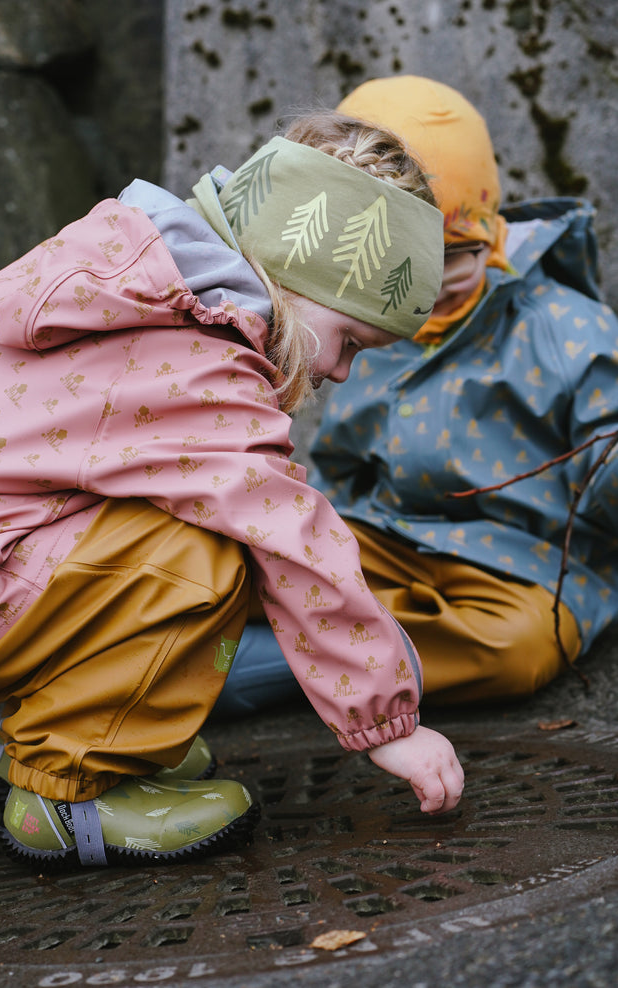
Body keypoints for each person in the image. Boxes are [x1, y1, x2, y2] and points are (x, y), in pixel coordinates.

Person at [0, 110, 464, 869]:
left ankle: (57, 735)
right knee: (218, 546)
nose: (339, 373)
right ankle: (67, 791)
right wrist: (388, 723)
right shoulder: (200, 360)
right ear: (295, 282)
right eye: (350, 341)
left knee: (163, 516)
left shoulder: (128, 277)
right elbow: (291, 535)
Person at [217, 75, 618, 717]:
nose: (428, 290)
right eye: (408, 269)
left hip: (517, 565)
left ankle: (298, 666)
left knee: (517, 646)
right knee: (239, 559)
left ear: (492, 231)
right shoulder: (361, 329)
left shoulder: (565, 327)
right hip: (380, 534)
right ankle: (317, 634)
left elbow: (606, 457)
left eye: (454, 255)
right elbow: (337, 465)